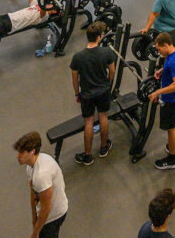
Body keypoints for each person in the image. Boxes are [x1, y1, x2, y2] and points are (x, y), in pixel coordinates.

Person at [69, 22, 119, 164]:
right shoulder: (106, 52)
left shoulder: (78, 57)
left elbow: (74, 79)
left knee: (89, 121)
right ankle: (104, 148)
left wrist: (77, 93)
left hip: (87, 94)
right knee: (103, 116)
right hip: (103, 91)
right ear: (99, 37)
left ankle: (88, 155)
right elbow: (112, 71)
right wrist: (108, 83)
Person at [14, 131, 69, 238]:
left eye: (21, 152)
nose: (18, 156)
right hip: (45, 214)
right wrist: (34, 218)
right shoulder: (30, 166)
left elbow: (46, 208)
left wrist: (35, 232)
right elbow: (33, 192)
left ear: (32, 152)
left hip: (54, 216)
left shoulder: (41, 175)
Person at [148, 32, 175, 169]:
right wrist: (163, 70)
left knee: (171, 129)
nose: (159, 52)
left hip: (170, 99)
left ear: (165, 45)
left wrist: (158, 92)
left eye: (159, 49)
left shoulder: (172, 61)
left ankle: (171, 159)